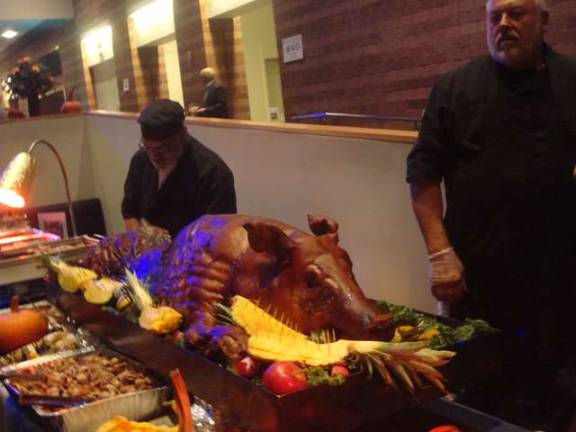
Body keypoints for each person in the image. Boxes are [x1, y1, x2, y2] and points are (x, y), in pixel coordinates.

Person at [407, 0, 576, 430]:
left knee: (554, 397)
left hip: (557, 284)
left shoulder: (573, 81)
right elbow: (423, 175)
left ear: (542, 20)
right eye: (494, 16)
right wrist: (439, 253)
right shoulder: (455, 88)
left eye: (516, 14)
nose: (503, 24)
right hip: (479, 281)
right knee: (480, 399)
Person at [122, 99, 237, 237]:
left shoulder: (214, 174)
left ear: (183, 135)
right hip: (147, 255)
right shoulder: (141, 160)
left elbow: (217, 237)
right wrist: (140, 241)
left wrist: (167, 247)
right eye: (147, 147)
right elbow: (129, 211)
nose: (154, 156)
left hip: (191, 256)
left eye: (163, 148)